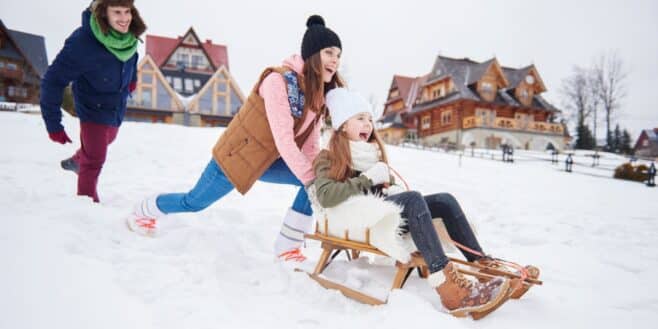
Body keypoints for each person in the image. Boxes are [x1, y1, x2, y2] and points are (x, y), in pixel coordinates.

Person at [127, 15, 344, 262]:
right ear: (313, 54)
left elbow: (310, 144)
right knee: (194, 202)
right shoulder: (279, 81)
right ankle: (146, 209)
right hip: (237, 156)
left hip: (270, 159)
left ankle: (288, 246)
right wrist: (310, 179)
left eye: (338, 55)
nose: (335, 60)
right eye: (329, 52)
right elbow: (284, 139)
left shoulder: (317, 95)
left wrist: (317, 178)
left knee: (318, 177)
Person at [309, 88, 530, 317]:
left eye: (370, 119)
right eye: (361, 118)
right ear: (343, 124)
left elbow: (389, 189)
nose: (368, 124)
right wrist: (367, 179)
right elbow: (326, 195)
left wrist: (390, 186)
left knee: (445, 201)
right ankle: (450, 288)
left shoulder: (372, 154)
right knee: (413, 199)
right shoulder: (328, 156)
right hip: (364, 222)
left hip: (389, 216)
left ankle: (483, 267)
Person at [40, 0, 146, 202]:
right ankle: (87, 206)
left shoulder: (129, 36)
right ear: (103, 12)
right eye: (117, 12)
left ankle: (79, 159)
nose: (124, 19)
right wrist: (53, 124)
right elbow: (52, 81)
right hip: (91, 105)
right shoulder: (83, 43)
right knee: (96, 158)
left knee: (107, 140)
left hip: (116, 104)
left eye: (127, 11)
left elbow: (132, 58)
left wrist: (132, 81)